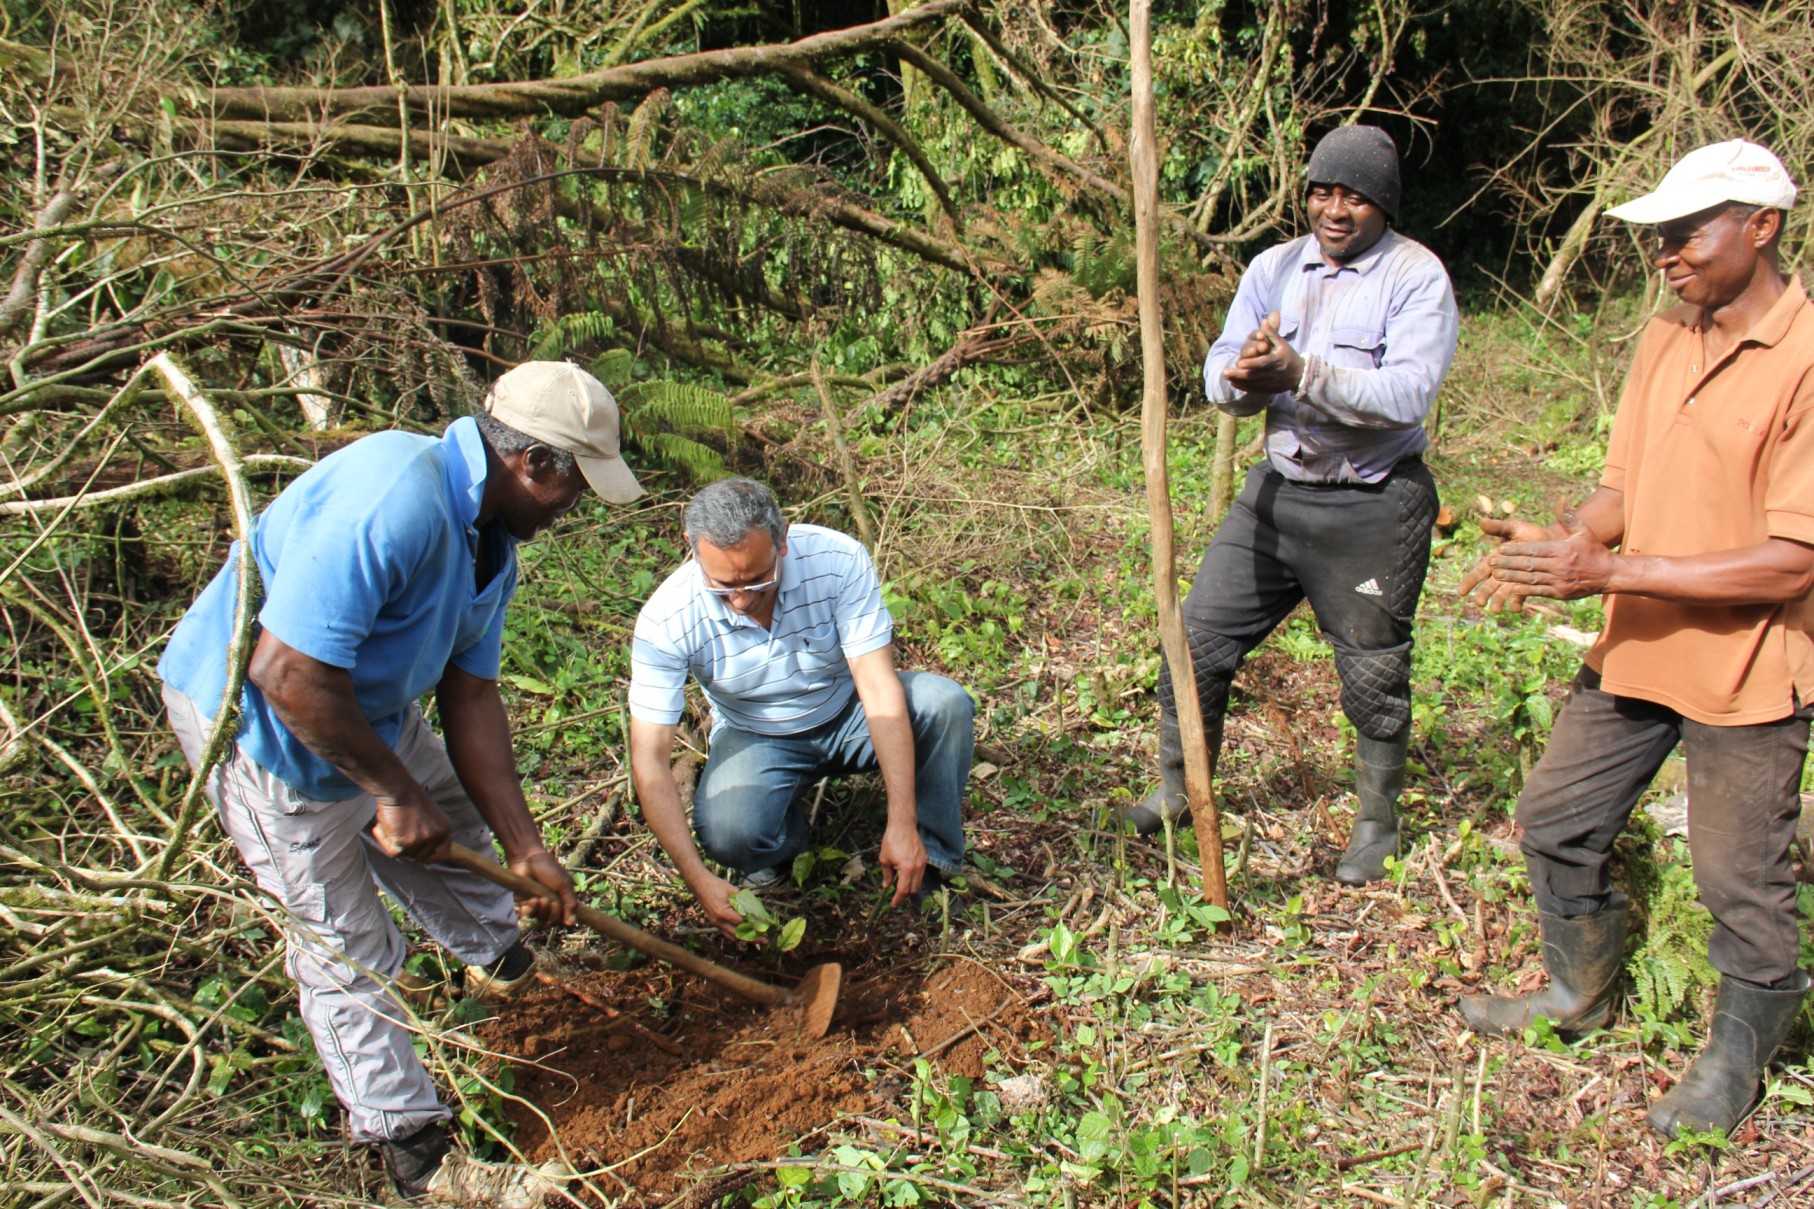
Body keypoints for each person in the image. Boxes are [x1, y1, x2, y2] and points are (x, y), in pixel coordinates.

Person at [158, 362, 642, 1203]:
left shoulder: (489, 537)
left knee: (457, 827)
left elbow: (471, 691)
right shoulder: (398, 495)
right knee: (349, 949)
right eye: (575, 489)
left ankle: (508, 975)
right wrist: (390, 792)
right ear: (535, 464)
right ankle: (417, 1154)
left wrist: (528, 847)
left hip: (364, 703)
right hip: (264, 726)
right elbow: (286, 670)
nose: (573, 511)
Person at [1458, 140, 1811, 1139]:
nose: (1665, 254)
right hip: (1640, 644)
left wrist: (1605, 572)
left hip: (1747, 665)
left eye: (1684, 233)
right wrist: (1570, 544)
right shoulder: (1663, 338)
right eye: (1655, 237)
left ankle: (1734, 1060)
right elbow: (1622, 488)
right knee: (1556, 814)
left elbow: (1790, 563)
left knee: (1736, 879)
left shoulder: (1805, 360)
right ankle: (1578, 993)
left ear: (1760, 225)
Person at [1123, 124, 1460, 886]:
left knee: (1372, 675)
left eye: (1355, 197)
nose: (1335, 210)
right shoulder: (1274, 267)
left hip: (1373, 505)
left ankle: (1377, 823)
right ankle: (1180, 787)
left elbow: (1410, 392)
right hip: (1275, 498)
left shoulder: (1415, 277)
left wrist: (1301, 372)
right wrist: (1241, 377)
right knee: (1198, 640)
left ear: (1384, 206)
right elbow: (1221, 368)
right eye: (1321, 192)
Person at [628, 478, 972, 935]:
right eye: (724, 585)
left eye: (757, 579)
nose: (742, 600)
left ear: (783, 540)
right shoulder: (666, 621)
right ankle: (779, 846)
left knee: (942, 703)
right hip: (756, 733)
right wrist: (697, 879)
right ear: (690, 548)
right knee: (731, 830)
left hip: (848, 711)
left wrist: (902, 821)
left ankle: (930, 858)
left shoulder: (835, 559)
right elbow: (649, 759)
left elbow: (876, 684)